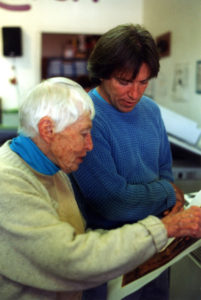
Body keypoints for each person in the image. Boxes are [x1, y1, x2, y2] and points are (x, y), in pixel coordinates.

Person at [0, 77, 201, 300]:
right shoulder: (7, 182)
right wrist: (165, 228)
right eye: (84, 134)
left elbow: (78, 235)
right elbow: (70, 260)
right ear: (47, 130)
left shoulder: (55, 171)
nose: (90, 146)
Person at [69, 24, 186, 299]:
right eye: (124, 81)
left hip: (158, 244)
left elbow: (165, 172)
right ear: (103, 74)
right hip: (111, 256)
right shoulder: (87, 118)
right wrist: (167, 194)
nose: (135, 93)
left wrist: (168, 196)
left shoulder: (152, 110)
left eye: (143, 82)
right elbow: (113, 203)